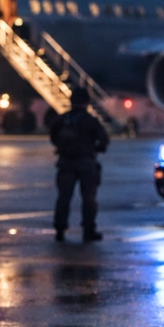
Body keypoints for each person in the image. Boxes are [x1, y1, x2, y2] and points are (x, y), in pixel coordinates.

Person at [50, 88, 109, 242]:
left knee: (63, 197)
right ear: (87, 103)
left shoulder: (63, 119)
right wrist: (94, 149)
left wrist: (62, 147)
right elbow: (104, 140)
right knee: (89, 198)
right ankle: (88, 230)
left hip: (65, 162)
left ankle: (60, 229)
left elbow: (53, 135)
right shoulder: (90, 120)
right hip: (85, 162)